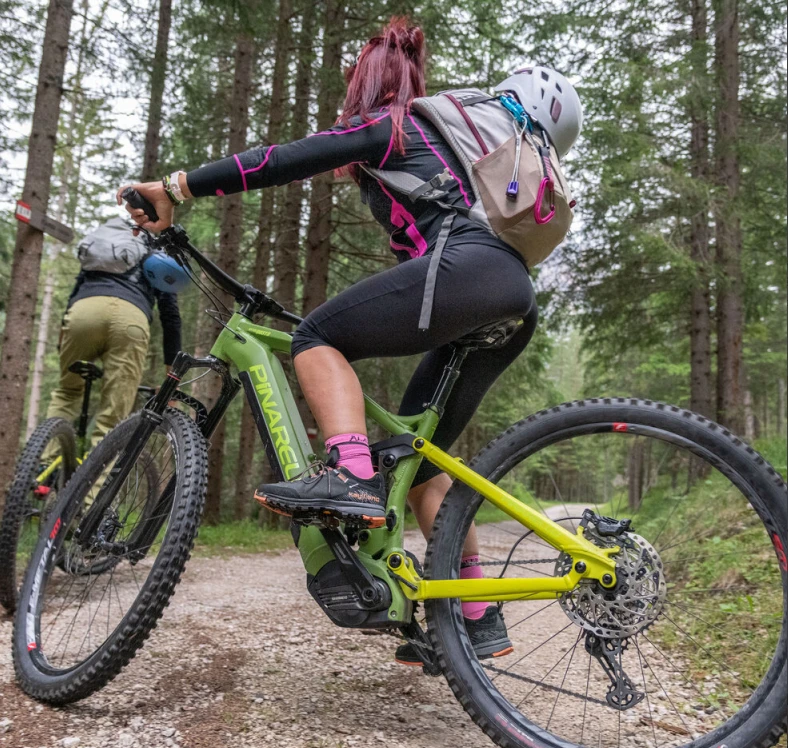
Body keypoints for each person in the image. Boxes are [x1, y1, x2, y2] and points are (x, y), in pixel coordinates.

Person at [118, 18, 582, 663]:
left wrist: (172, 188)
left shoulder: (402, 124)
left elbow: (282, 159)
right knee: (421, 462)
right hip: (512, 298)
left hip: (465, 270)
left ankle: (350, 476)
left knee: (316, 336)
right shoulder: (475, 159)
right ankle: (477, 620)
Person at [46, 218, 184, 449]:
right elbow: (170, 317)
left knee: (67, 393)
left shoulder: (103, 249)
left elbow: (75, 291)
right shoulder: (157, 254)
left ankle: (42, 465)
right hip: (130, 320)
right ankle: (97, 473)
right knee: (113, 414)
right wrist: (172, 382)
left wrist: (64, 339)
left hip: (83, 313)